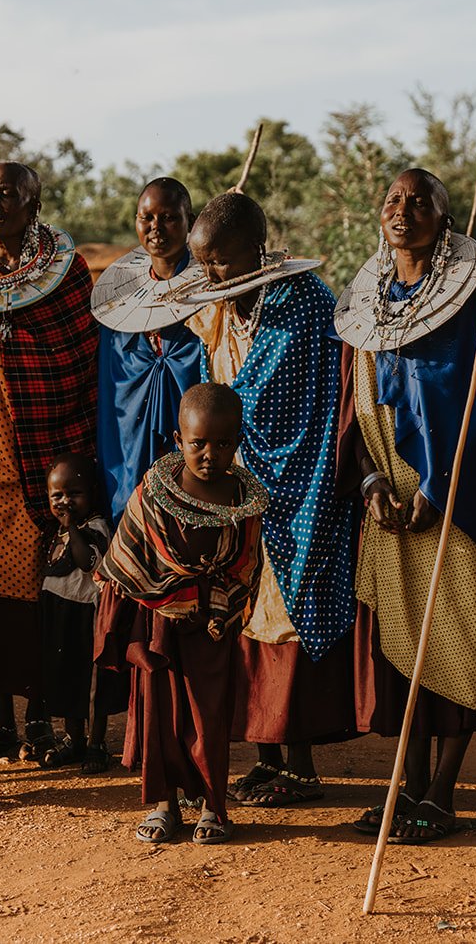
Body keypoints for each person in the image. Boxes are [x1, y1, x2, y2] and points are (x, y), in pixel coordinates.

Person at [336, 169, 476, 842]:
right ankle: (406, 785)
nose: (404, 209)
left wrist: (436, 484)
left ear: (445, 220)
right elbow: (353, 404)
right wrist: (371, 484)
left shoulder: (469, 300)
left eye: (420, 200)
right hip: (388, 505)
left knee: (461, 636)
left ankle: (442, 793)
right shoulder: (363, 302)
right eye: (393, 198)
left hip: (457, 501)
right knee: (402, 649)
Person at [181, 192, 359, 809]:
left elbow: (258, 398)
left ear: (255, 250)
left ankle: (301, 763)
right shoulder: (229, 302)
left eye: (219, 263)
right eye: (202, 263)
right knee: (244, 611)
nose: (208, 275)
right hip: (241, 480)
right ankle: (264, 755)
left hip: (299, 481)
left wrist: (219, 424)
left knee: (288, 609)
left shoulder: (302, 301)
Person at [0, 162, 97, 764]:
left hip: (44, 453)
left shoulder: (66, 271)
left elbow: (78, 359)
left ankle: (41, 718)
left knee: (42, 589)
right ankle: (2, 717)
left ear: (34, 205)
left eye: (9, 192)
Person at [97, 383, 267, 845]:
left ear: (238, 442)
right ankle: (164, 803)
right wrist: (163, 598)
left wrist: (221, 606)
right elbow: (126, 557)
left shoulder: (243, 501)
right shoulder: (153, 494)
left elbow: (246, 564)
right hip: (159, 622)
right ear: (178, 439)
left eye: (222, 443)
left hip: (213, 626)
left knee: (209, 716)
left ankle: (214, 807)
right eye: (197, 443)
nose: (209, 454)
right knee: (160, 716)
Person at [94, 177, 206, 521]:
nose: (157, 228)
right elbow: (112, 380)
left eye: (170, 217)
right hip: (129, 434)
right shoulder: (118, 297)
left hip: (195, 437)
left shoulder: (211, 288)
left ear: (189, 221)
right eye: (147, 218)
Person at [36, 452, 120, 772]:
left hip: (86, 616)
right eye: (57, 494)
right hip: (59, 614)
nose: (64, 501)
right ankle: (74, 739)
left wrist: (72, 529)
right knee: (66, 679)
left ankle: (97, 744)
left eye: (74, 493)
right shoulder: (55, 531)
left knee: (91, 685)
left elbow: (88, 562)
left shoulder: (95, 527)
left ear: (93, 495)